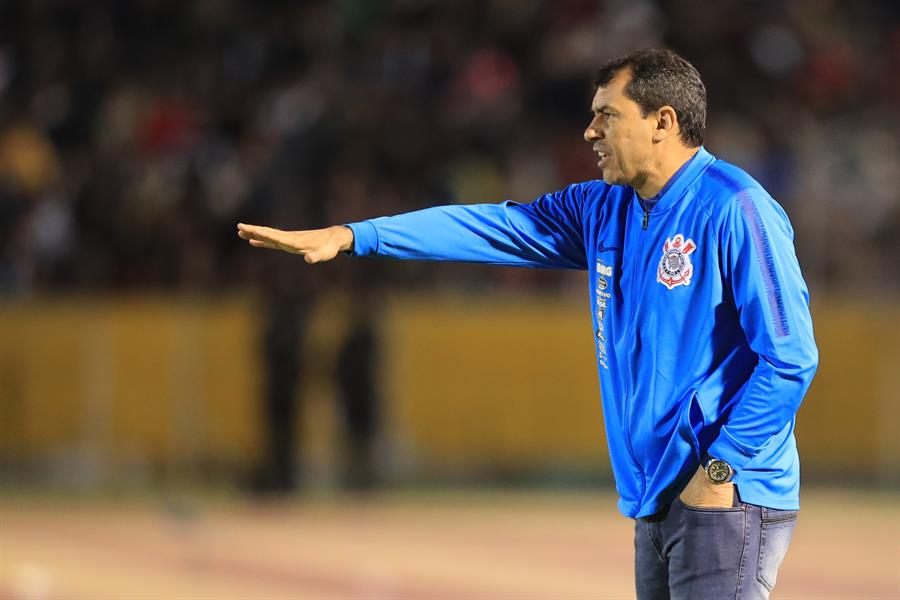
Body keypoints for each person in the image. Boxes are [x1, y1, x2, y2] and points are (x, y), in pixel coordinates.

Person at [236, 48, 818, 599]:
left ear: (663, 121)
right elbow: (490, 227)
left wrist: (721, 469)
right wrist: (356, 236)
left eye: (606, 116)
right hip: (657, 494)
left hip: (725, 495)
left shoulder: (736, 208)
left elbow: (790, 358)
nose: (590, 133)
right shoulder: (601, 208)